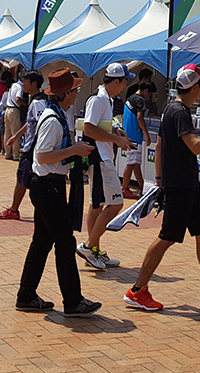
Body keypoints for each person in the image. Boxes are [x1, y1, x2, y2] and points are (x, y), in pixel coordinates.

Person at [124, 64, 200, 312]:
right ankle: (137, 291)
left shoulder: (172, 109)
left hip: (187, 185)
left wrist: (158, 178)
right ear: (195, 87)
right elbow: (196, 146)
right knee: (166, 238)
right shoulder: (179, 113)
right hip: (180, 186)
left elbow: (159, 147)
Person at [15, 68, 101, 318]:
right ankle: (72, 301)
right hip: (47, 187)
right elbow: (42, 156)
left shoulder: (57, 114)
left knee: (41, 243)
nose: (76, 94)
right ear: (65, 93)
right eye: (74, 90)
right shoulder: (52, 120)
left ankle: (26, 295)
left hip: (48, 186)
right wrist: (74, 150)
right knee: (65, 243)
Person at [77, 62, 136, 270]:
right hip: (101, 160)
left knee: (97, 205)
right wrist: (115, 138)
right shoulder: (99, 99)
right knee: (116, 204)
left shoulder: (107, 99)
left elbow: (98, 125)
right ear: (116, 81)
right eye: (124, 81)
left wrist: (116, 133)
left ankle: (93, 251)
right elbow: (89, 129)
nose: (125, 85)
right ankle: (89, 246)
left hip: (102, 158)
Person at [0, 71, 46, 220]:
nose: (23, 84)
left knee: (25, 178)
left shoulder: (38, 102)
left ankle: (15, 210)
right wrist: (16, 136)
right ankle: (15, 209)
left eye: (25, 81)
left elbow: (41, 125)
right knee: (23, 178)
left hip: (33, 148)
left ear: (34, 84)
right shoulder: (35, 100)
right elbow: (30, 123)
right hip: (31, 147)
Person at [121, 82, 154, 197]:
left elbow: (123, 116)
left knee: (135, 164)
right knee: (131, 164)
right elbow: (140, 117)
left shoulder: (130, 98)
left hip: (128, 135)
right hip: (135, 136)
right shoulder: (140, 101)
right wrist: (147, 134)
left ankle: (142, 187)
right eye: (150, 94)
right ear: (146, 91)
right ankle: (124, 189)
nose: (149, 97)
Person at [1, 70, 26, 161]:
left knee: (7, 133)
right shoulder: (19, 87)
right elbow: (18, 99)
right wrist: (25, 103)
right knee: (16, 133)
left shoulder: (13, 85)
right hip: (14, 110)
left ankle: (7, 153)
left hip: (7, 110)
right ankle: (16, 154)